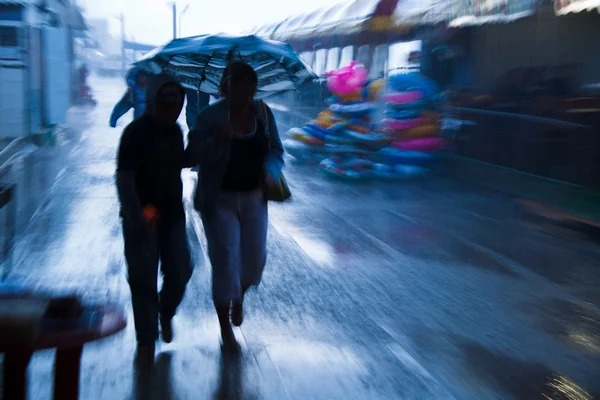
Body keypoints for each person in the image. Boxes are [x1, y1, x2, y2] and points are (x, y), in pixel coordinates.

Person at [184, 62, 284, 348]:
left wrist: (271, 171)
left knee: (255, 263)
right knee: (225, 259)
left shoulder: (262, 113)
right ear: (226, 88)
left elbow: (276, 150)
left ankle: (238, 293)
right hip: (219, 199)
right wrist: (218, 138)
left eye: (250, 90)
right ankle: (224, 327)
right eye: (239, 90)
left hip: (255, 198)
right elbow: (190, 156)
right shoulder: (209, 117)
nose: (245, 97)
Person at [116, 74, 193, 363]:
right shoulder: (134, 133)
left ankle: (165, 311)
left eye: (177, 99)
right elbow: (125, 177)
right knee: (143, 280)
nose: (171, 104)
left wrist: (201, 146)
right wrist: (137, 214)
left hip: (173, 215)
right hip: (140, 218)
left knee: (181, 270)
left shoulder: (176, 132)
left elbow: (178, 163)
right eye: (166, 98)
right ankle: (146, 339)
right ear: (154, 99)